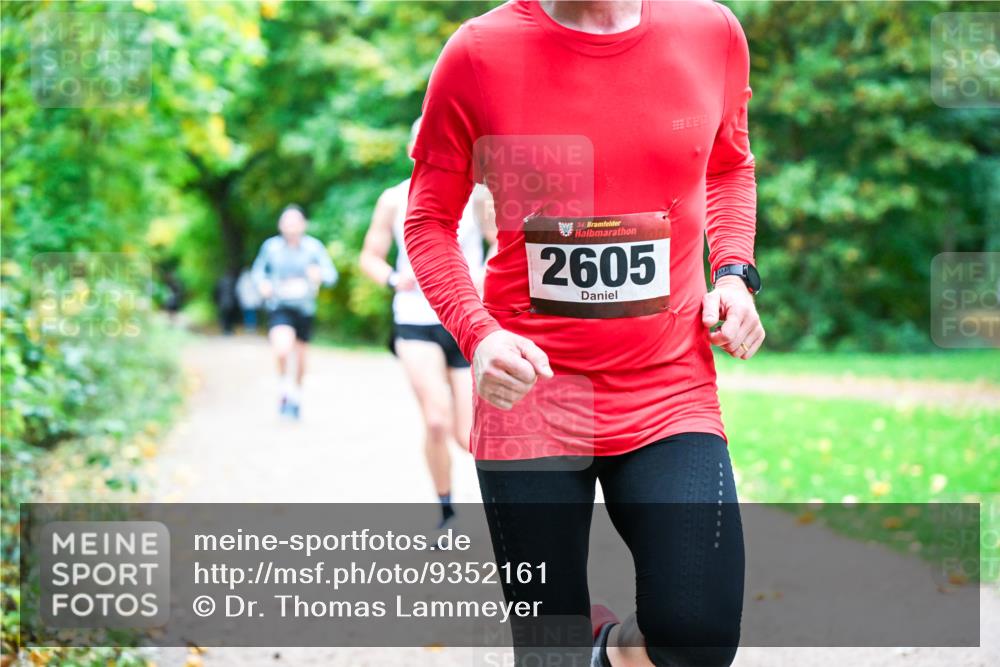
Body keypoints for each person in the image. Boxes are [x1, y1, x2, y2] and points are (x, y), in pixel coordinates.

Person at [404, 1, 764, 666]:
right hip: (531, 396)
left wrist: (735, 274)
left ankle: (613, 652)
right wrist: (477, 334)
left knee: (699, 632)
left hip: (667, 388)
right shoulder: (478, 53)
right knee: (549, 651)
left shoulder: (710, 31)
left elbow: (728, 163)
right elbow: (428, 218)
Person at [360, 118, 497, 529]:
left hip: (464, 318)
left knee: (468, 435)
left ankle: (498, 513)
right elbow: (369, 256)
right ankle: (447, 510)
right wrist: (391, 278)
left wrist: (481, 276)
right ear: (411, 150)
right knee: (436, 421)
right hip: (415, 319)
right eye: (421, 143)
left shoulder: (477, 194)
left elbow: (501, 245)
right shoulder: (393, 198)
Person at [251, 205, 337, 419]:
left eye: (295, 222)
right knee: (282, 348)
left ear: (303, 224)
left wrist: (319, 276)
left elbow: (331, 275)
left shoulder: (313, 248)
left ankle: (295, 395)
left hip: (305, 307)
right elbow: (258, 272)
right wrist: (263, 285)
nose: (291, 226)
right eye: (287, 222)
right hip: (279, 306)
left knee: (300, 356)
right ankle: (284, 387)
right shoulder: (270, 247)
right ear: (280, 225)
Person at [236, 267, 262, 331]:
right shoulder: (253, 279)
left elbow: (239, 291)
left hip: (246, 301)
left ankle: (249, 327)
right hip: (252, 301)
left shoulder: (242, 280)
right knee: (252, 314)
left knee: (248, 314)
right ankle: (252, 327)